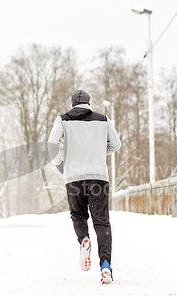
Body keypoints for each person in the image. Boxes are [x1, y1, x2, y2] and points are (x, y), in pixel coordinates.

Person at [47, 89, 121, 284]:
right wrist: (97, 151)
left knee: (78, 215)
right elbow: (116, 145)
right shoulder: (103, 119)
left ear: (73, 105)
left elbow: (51, 144)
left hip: (74, 178)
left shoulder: (63, 119)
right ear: (89, 103)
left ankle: (84, 240)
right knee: (102, 222)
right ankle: (105, 265)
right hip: (98, 178)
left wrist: (61, 165)